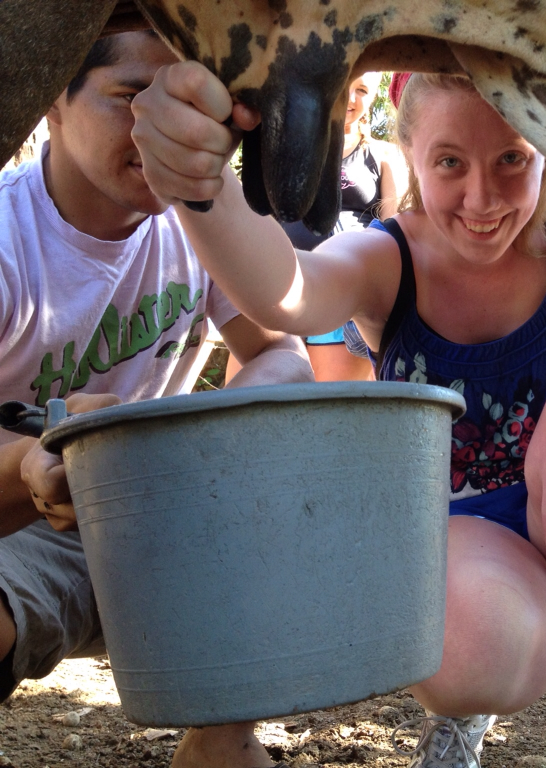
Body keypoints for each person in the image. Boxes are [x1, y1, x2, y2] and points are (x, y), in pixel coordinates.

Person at [131, 65, 546, 768]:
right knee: (475, 654)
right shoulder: (388, 256)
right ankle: (462, 714)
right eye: (449, 163)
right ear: (411, 153)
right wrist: (203, 186)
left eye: (511, 160)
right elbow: (289, 294)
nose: (481, 197)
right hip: (464, 546)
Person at [0, 31, 313, 768]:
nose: (164, 127)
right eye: (133, 96)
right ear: (50, 99)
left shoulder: (200, 220)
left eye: (190, 101)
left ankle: (222, 743)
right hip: (28, 520)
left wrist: (193, 438)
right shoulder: (11, 241)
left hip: (167, 519)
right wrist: (36, 468)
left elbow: (283, 354)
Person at [283, 70, 408, 383]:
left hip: (343, 297)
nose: (350, 98)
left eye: (362, 90)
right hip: (284, 284)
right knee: (263, 403)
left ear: (375, 95)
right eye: (342, 85)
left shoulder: (383, 155)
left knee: (325, 409)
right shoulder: (289, 150)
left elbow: (397, 229)